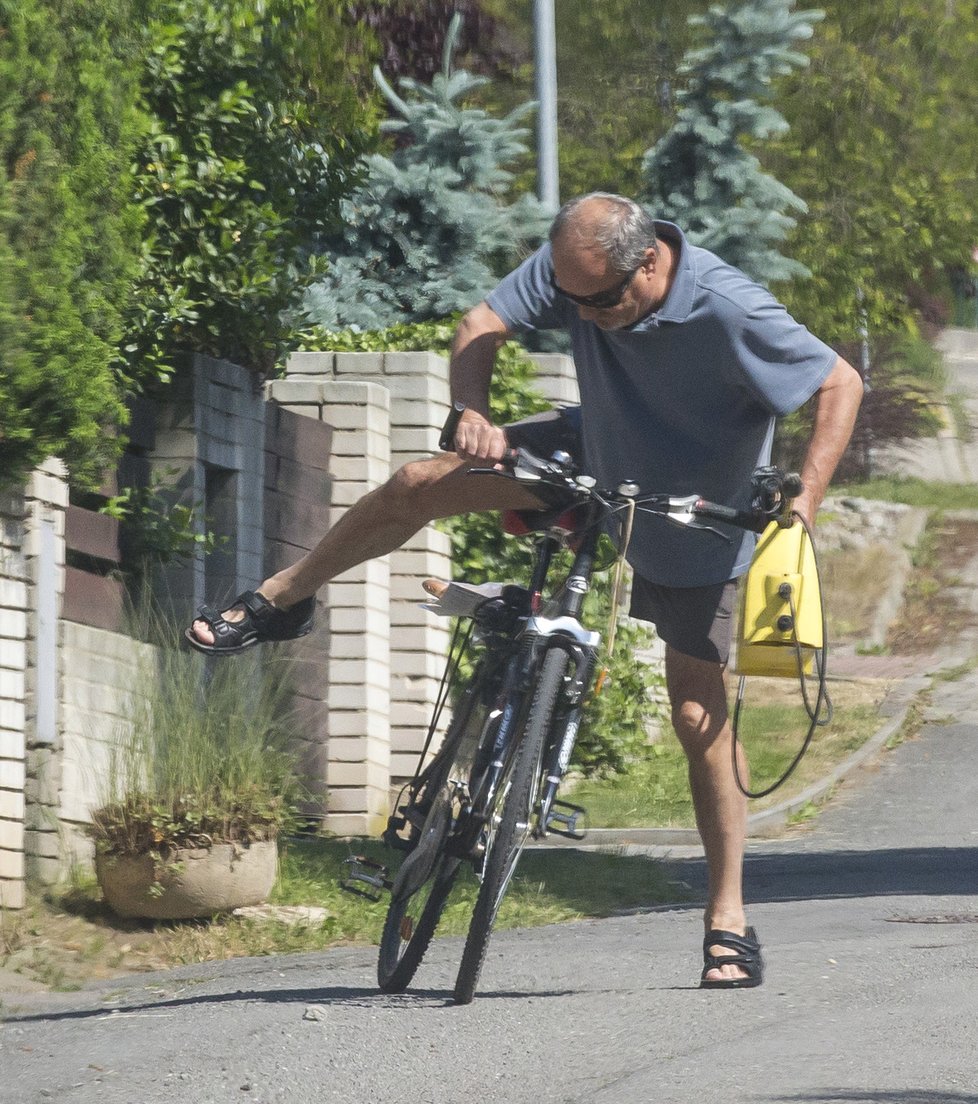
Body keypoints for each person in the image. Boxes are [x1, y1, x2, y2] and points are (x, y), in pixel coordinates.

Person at [187, 192, 864, 989]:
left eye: (604, 301)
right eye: (574, 303)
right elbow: (480, 324)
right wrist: (470, 406)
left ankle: (726, 917)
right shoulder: (580, 270)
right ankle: (282, 599)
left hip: (699, 515)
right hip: (595, 453)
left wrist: (803, 505)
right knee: (416, 482)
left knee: (694, 713)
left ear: (650, 262)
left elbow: (840, 381)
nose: (590, 317)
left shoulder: (727, 307)